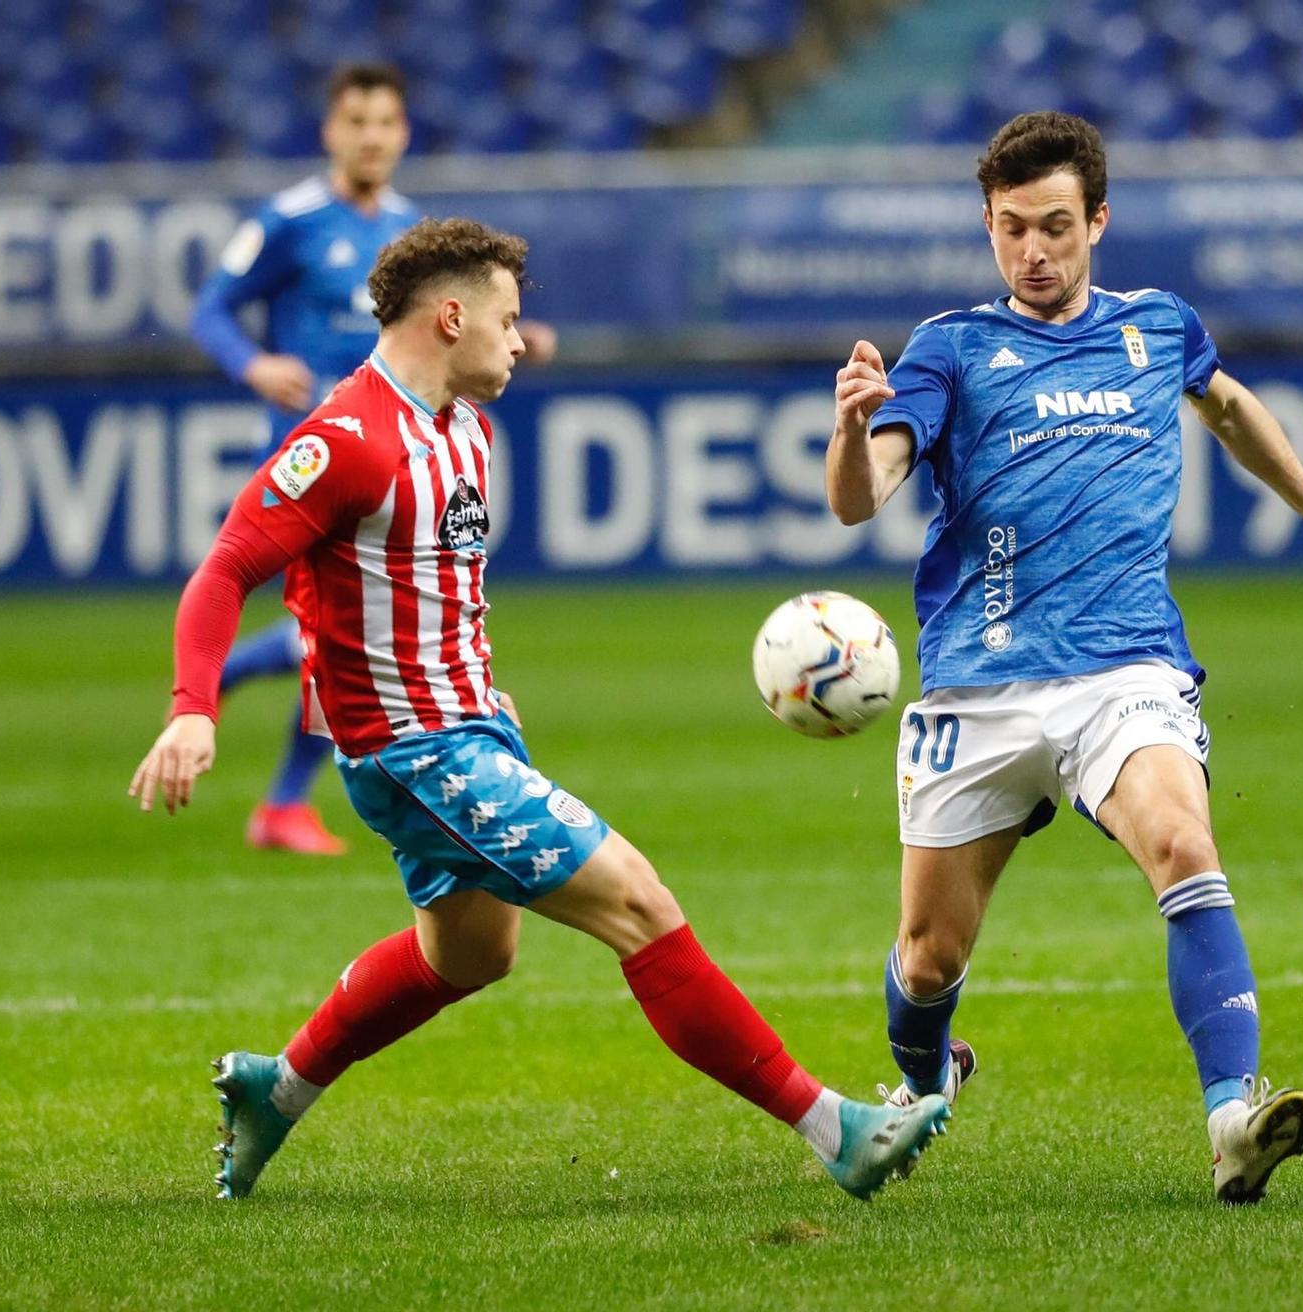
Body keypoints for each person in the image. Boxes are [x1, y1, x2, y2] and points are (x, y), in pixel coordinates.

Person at [132, 217, 949, 1202]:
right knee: (638, 902)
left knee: (470, 953)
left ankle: (279, 1089)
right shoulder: (344, 442)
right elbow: (225, 569)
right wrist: (192, 709)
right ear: (449, 316)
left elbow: (429, 591)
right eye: (508, 320)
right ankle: (835, 1130)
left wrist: (476, 684)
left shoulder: (465, 430)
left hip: (469, 728)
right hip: (414, 755)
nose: (520, 341)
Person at [826, 111, 1303, 1204]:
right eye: (1010, 229)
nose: (1033, 251)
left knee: (1180, 840)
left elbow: (1227, 404)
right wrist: (846, 430)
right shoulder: (949, 346)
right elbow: (864, 497)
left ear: (1097, 219)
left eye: (1054, 225)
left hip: (1124, 668)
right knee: (926, 958)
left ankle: (1231, 1117)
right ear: (988, 226)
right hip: (979, 683)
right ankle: (922, 1077)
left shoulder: (1156, 326)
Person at [190, 61, 556, 856]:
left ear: (404, 134)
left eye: (385, 123)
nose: (371, 138)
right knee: (335, 640)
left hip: (405, 458)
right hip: (320, 460)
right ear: (331, 132)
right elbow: (209, 308)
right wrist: (251, 365)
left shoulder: (412, 235)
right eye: (356, 122)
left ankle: (275, 786)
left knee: (338, 643)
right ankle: (234, 727)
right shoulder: (288, 220)